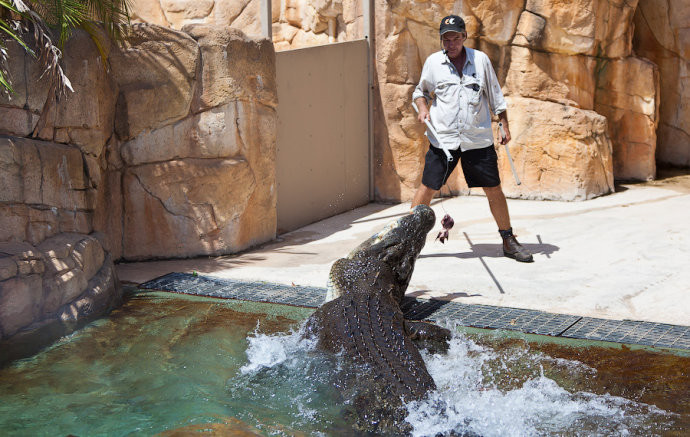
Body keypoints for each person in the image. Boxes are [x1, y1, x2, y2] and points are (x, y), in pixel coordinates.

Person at [411, 14, 533, 262]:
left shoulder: (481, 61)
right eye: (447, 39)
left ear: (464, 37)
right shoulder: (434, 62)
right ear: (442, 40)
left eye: (456, 38)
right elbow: (420, 92)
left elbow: (496, 96)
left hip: (476, 140)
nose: (451, 43)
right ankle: (405, 241)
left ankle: (508, 240)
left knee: (493, 189)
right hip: (443, 141)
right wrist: (423, 109)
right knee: (427, 188)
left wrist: (504, 125)